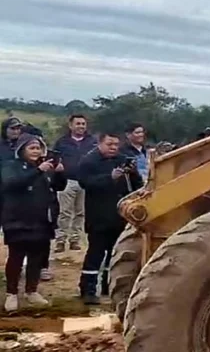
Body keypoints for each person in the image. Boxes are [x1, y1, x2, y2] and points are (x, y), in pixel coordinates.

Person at [2, 133, 66, 311]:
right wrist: (39, 170)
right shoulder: (11, 166)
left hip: (41, 220)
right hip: (17, 219)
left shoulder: (45, 167)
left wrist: (60, 173)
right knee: (16, 256)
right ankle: (11, 294)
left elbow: (59, 187)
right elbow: (11, 184)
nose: (36, 151)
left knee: (36, 257)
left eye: (38, 148)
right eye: (32, 148)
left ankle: (32, 291)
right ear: (22, 150)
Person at [77, 131, 142, 305]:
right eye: (109, 144)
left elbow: (138, 186)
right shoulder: (89, 161)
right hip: (98, 216)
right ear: (100, 143)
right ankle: (87, 289)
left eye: (115, 145)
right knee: (95, 254)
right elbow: (85, 182)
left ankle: (108, 286)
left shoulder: (122, 158)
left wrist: (133, 173)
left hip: (119, 216)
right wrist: (109, 178)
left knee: (114, 254)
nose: (113, 148)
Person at [53, 114, 97, 252]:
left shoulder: (92, 142)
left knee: (80, 213)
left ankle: (75, 239)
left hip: (85, 181)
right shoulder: (62, 142)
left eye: (83, 124)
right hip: (67, 181)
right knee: (64, 212)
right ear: (70, 125)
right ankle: (60, 240)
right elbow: (54, 158)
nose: (81, 126)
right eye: (78, 124)